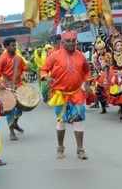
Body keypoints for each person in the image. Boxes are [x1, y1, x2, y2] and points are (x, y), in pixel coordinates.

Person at [40, 30, 91, 160]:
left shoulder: (81, 56)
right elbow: (44, 70)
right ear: (62, 42)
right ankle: (60, 148)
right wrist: (46, 78)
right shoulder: (54, 56)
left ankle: (80, 149)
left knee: (78, 121)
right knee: (61, 122)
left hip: (76, 93)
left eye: (74, 41)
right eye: (68, 41)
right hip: (60, 95)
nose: (71, 43)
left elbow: (86, 72)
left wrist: (87, 83)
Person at [0, 37, 28, 141]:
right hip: (7, 87)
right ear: (6, 47)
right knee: (10, 109)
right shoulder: (2, 58)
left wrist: (24, 74)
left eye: (15, 45)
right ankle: (11, 132)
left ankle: (15, 123)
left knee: (20, 108)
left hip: (18, 86)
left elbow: (24, 68)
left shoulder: (18, 58)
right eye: (12, 45)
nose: (15, 47)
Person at [91, 36, 111, 114]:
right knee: (98, 91)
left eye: (102, 49)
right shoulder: (96, 56)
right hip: (100, 75)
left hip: (108, 75)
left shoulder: (108, 55)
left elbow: (109, 66)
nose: (100, 50)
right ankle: (103, 107)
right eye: (99, 49)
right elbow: (96, 66)